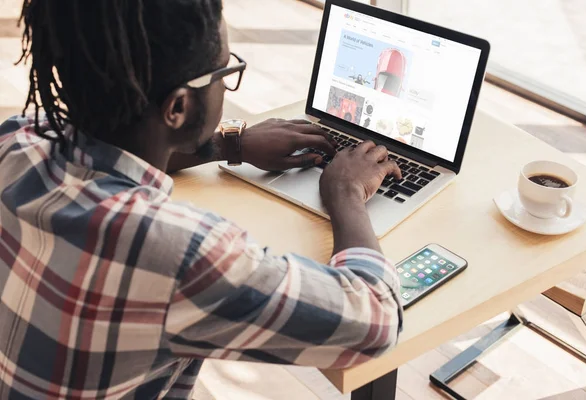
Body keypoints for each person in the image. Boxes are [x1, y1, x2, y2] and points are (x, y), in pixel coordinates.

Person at [0, 1, 403, 398]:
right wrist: (347, 193)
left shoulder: (17, 141)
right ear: (178, 106)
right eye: (225, 71)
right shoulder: (175, 252)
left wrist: (231, 143)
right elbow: (375, 322)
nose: (226, 82)